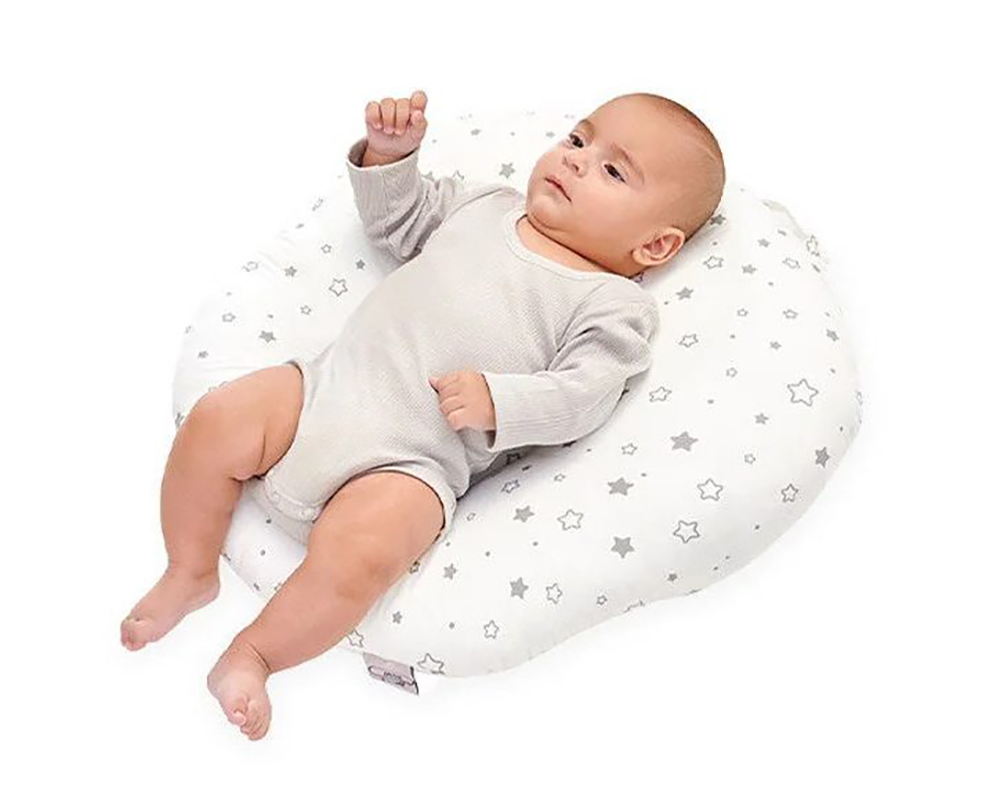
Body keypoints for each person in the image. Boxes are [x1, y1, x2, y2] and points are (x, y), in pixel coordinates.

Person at [119, 89, 726, 740]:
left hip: (411, 463)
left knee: (363, 556)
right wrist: (388, 159)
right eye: (578, 139)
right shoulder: (485, 206)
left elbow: (585, 395)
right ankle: (189, 569)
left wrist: (501, 401)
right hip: (321, 391)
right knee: (216, 419)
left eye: (612, 171)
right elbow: (398, 223)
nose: (575, 160)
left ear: (655, 246)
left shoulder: (612, 305)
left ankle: (255, 656)